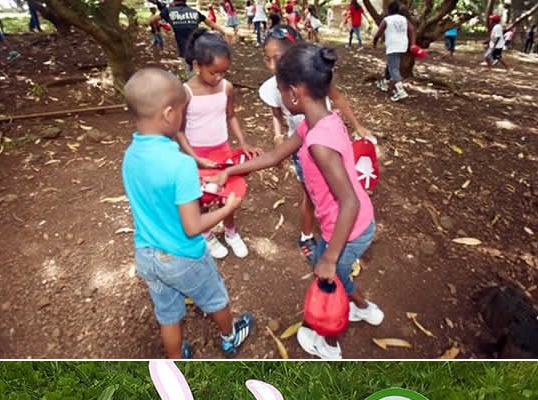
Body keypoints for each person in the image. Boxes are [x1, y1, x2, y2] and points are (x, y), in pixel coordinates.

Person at [218, 43, 385, 359]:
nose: (280, 99)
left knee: (330, 283)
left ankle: (329, 344)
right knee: (340, 277)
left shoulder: (320, 142)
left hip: (346, 231)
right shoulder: (320, 121)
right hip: (351, 226)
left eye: (280, 91)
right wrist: (232, 170)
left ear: (293, 93)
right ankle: (365, 309)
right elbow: (275, 155)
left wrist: (329, 257)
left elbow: (348, 201)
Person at [121, 68, 255, 359]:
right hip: (183, 256)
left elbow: (153, 196)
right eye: (182, 112)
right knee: (215, 298)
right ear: (169, 114)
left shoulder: (131, 155)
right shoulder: (179, 164)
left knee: (168, 313)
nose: (182, 118)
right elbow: (193, 227)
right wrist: (228, 209)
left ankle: (175, 359)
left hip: (147, 255)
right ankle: (230, 337)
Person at [257, 24, 371, 259]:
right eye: (266, 59)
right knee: (313, 195)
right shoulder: (313, 121)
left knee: (325, 194)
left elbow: (350, 202)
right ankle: (307, 235)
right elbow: (276, 126)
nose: (271, 66)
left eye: (275, 58)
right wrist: (277, 139)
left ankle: (324, 241)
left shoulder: (320, 137)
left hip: (320, 148)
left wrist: (329, 260)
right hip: (302, 149)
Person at [173, 29, 260, 258]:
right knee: (203, 197)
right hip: (197, 155)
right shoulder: (186, 92)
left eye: (224, 72)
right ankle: (207, 234)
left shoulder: (226, 88)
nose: (219, 77)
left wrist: (243, 143)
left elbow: (231, 116)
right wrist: (194, 156)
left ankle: (231, 231)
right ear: (196, 65)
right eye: (214, 72)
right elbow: (179, 130)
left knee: (227, 194)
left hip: (222, 151)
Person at [150, 0, 228, 72]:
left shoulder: (169, 11)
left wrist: (156, 28)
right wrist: (223, 31)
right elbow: (210, 23)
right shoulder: (194, 12)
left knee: (190, 73)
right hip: (199, 48)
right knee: (199, 69)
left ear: (174, 1)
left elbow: (152, 20)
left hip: (184, 52)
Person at [371, 1, 414, 101]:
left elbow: (378, 33)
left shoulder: (387, 19)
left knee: (393, 68)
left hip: (393, 45)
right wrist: (412, 44)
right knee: (391, 64)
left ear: (388, 10)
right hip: (403, 45)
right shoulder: (404, 19)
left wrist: (374, 42)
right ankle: (385, 83)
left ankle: (400, 91)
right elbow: (412, 29)